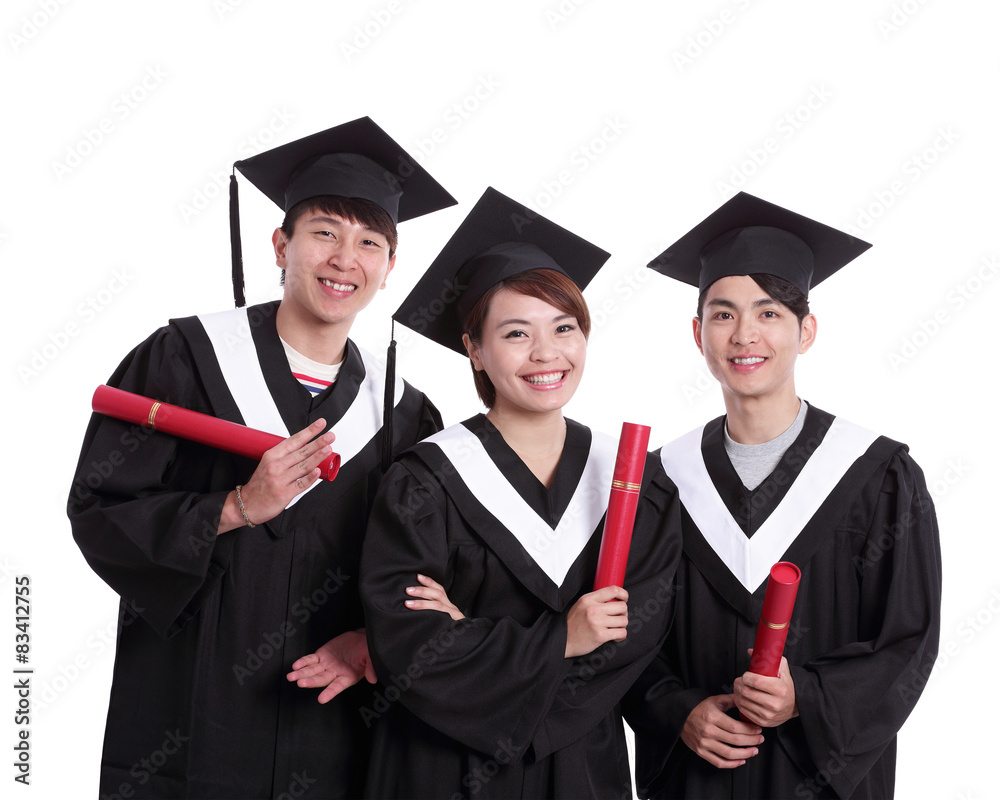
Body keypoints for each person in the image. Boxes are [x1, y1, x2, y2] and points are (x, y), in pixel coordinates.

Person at [67, 117, 455, 799]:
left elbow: (427, 569)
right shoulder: (181, 360)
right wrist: (235, 507)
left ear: (389, 269)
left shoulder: (405, 418)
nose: (345, 259)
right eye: (324, 233)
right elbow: (98, 512)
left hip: (334, 729)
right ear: (282, 244)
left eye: (370, 243)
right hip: (188, 714)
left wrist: (377, 637)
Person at [359, 187, 682, 799]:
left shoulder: (633, 480)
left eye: (565, 328)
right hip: (440, 769)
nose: (546, 354)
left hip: (583, 766)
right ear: (475, 350)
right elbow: (408, 647)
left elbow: (635, 639)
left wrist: (476, 634)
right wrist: (563, 638)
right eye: (515, 334)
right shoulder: (424, 480)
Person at [623, 191, 942, 799]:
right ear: (698, 333)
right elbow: (630, 638)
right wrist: (677, 711)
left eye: (769, 313)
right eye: (723, 314)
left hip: (819, 780)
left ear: (807, 329)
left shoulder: (878, 476)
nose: (745, 334)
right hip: (700, 777)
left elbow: (909, 639)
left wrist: (809, 700)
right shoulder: (663, 481)